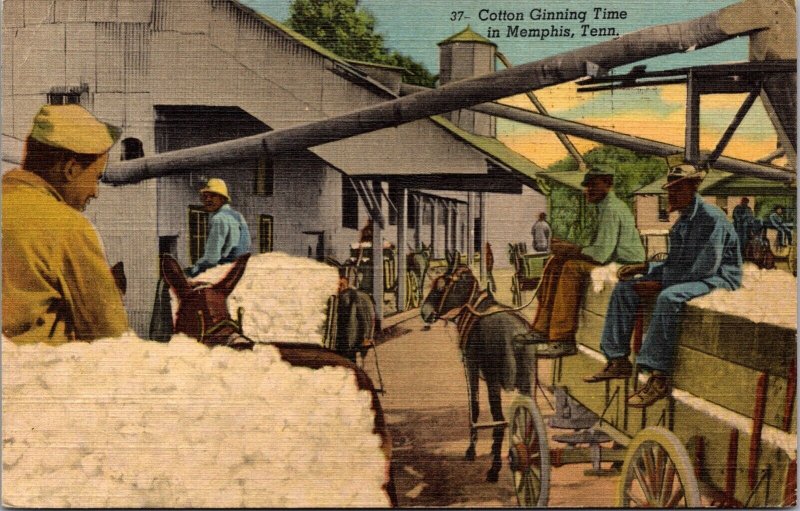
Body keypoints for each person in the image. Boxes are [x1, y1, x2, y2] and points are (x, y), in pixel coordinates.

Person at [584, 163, 742, 407]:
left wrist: (658, 283)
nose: (671, 195)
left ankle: (658, 377)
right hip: (694, 274)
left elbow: (702, 269)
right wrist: (644, 269)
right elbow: (676, 263)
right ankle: (618, 360)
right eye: (670, 190)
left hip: (719, 278)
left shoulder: (711, 219)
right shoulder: (682, 222)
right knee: (625, 288)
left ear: (693, 188)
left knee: (669, 297)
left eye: (677, 189)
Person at [3, 104, 128, 342]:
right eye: (96, 178)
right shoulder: (68, 227)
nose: (95, 192)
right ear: (70, 169)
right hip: (44, 375)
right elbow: (111, 337)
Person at [530, 164, 645, 357]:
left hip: (625, 265)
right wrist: (567, 249)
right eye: (587, 186)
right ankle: (541, 328)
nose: (587, 190)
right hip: (612, 261)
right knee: (556, 262)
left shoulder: (612, 209)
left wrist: (571, 250)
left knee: (570, 268)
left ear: (608, 184)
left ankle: (563, 338)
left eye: (593, 185)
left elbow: (601, 254)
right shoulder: (604, 207)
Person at [186, 178, 251, 277]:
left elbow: (212, 258)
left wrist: (194, 269)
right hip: (240, 269)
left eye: (212, 196)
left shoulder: (218, 218)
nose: (207, 200)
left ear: (223, 199)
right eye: (205, 196)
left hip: (225, 272)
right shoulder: (238, 215)